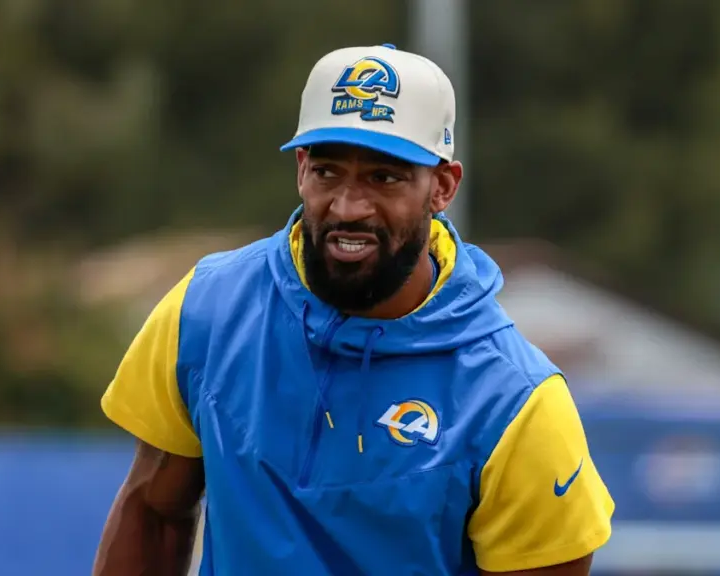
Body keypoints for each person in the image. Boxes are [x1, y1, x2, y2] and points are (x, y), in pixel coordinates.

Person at [92, 43, 615, 576]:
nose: (348, 206)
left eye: (383, 177)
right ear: (301, 169)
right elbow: (153, 512)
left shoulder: (516, 402)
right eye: (327, 172)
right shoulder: (207, 310)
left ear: (442, 186)